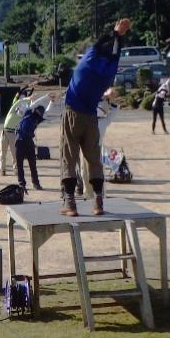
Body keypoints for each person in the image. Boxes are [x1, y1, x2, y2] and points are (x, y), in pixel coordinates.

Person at [60, 18, 130, 217]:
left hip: (72, 113)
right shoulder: (109, 72)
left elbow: (100, 43)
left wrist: (114, 31)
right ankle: (98, 201)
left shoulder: (88, 60)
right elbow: (115, 54)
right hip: (92, 117)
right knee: (94, 160)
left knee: (69, 157)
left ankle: (70, 203)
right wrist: (119, 37)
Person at [15, 96, 53, 191]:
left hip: (29, 142)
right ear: (35, 110)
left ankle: (36, 183)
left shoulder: (38, 118)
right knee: (19, 165)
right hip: (19, 140)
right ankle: (21, 184)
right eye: (39, 112)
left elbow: (47, 112)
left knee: (33, 164)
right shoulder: (28, 112)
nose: (40, 114)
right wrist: (46, 96)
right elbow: (35, 103)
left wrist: (51, 102)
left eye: (41, 113)